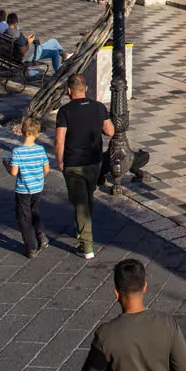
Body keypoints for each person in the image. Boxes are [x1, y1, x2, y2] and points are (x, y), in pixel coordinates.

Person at [55, 75, 115, 259]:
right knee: (88, 196)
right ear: (86, 88)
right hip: (94, 161)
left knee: (80, 202)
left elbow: (59, 140)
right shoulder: (98, 107)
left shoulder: (65, 111)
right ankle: (83, 226)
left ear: (69, 90)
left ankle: (86, 245)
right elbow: (110, 131)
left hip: (74, 163)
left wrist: (59, 160)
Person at [2, 118, 50, 257]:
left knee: (24, 217)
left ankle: (31, 246)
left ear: (22, 132)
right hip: (37, 187)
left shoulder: (17, 152)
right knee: (35, 211)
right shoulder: (40, 150)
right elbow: (46, 169)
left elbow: (14, 172)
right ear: (37, 134)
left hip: (23, 189)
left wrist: (6, 165)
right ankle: (41, 236)